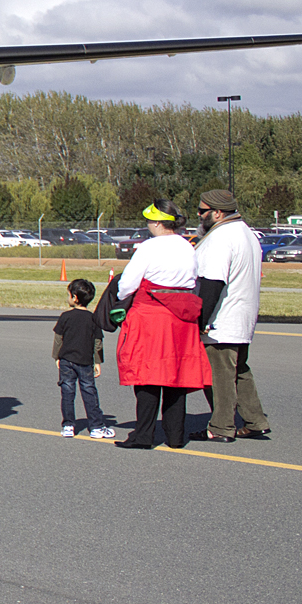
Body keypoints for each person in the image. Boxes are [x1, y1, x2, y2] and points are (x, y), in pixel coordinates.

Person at [113, 200, 211, 449]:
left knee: (147, 378)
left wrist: (120, 298)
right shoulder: (187, 246)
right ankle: (176, 436)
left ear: (157, 223)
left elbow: (127, 284)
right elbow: (194, 279)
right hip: (182, 318)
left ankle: (143, 434)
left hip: (151, 316)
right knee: (177, 377)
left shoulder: (148, 247)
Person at [193, 188, 272, 443]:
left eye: (203, 210)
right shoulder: (246, 233)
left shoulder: (221, 238)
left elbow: (212, 283)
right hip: (242, 314)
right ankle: (255, 420)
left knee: (219, 374)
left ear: (217, 213)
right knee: (239, 369)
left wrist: (201, 320)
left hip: (223, 318)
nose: (198, 214)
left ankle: (221, 426)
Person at [53, 277, 113, 438]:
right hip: (85, 362)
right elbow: (97, 342)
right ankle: (96, 426)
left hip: (66, 360)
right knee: (89, 392)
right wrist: (98, 362)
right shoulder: (93, 318)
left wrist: (57, 356)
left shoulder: (65, 316)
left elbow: (59, 338)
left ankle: (68, 425)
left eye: (69, 295)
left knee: (67, 392)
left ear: (75, 297)